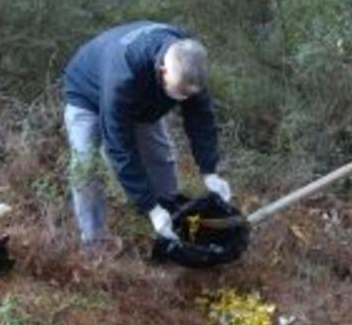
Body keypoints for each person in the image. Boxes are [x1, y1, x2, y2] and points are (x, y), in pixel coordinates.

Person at [63, 21, 232, 259]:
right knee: (86, 167)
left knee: (159, 156)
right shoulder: (123, 77)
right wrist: (149, 207)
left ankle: (172, 218)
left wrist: (209, 171)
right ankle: (94, 242)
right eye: (178, 93)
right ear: (163, 72)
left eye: (187, 94)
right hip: (87, 93)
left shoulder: (189, 62)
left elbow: (201, 119)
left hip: (143, 95)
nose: (183, 99)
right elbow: (120, 149)